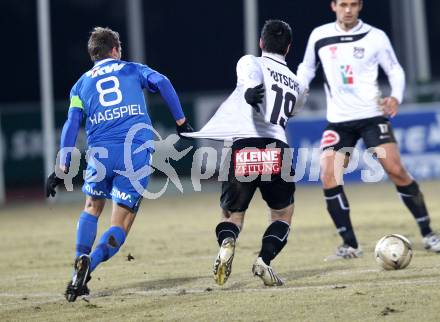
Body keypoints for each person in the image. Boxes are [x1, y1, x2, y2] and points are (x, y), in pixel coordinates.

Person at [46, 27, 193, 301]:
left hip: (100, 153)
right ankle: (91, 264)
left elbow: (72, 123)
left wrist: (62, 163)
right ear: (114, 50)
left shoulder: (80, 85)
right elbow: (162, 82)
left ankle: (80, 259)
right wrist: (181, 121)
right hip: (134, 153)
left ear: (94, 54)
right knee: (121, 222)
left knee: (91, 207)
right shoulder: (132, 69)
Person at [297, 0, 440, 260]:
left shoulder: (375, 36)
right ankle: (349, 244)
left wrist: (395, 97)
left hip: (373, 117)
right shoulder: (320, 36)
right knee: (329, 175)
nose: (348, 9)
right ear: (333, 6)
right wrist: (299, 89)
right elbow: (307, 68)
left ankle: (429, 233)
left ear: (360, 6)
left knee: (396, 170)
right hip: (339, 121)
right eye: (343, 4)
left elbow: (395, 69)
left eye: (353, 4)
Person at [183, 20, 307, 286]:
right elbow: (292, 110)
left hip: (244, 148)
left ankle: (228, 241)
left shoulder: (250, 61)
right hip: (277, 149)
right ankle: (264, 261)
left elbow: (250, 77)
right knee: (282, 214)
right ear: (288, 48)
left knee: (232, 216)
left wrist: (251, 91)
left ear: (262, 43)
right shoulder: (298, 83)